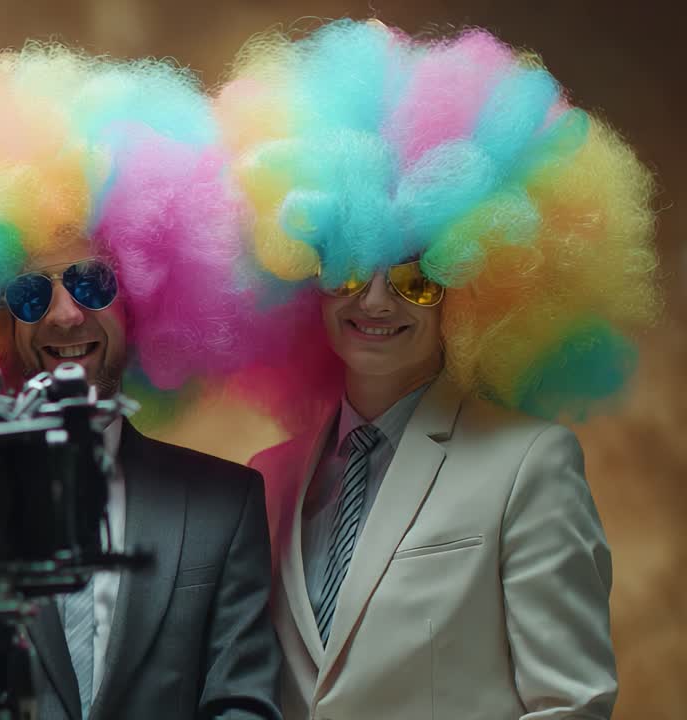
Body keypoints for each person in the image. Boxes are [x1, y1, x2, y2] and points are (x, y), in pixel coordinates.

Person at [214, 19, 660, 720]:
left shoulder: (528, 465)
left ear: (474, 282)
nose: (377, 300)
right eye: (350, 265)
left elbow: (571, 704)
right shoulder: (269, 480)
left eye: (418, 277)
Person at [0, 44, 285, 720]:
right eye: (29, 292)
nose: (63, 314)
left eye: (91, 281)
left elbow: (244, 704)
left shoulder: (224, 506)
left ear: (144, 293)